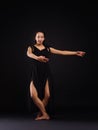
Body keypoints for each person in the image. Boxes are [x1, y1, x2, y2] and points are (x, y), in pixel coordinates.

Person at [26, 31, 85, 120]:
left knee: (47, 95)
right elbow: (29, 54)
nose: (40, 39)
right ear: (35, 38)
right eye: (38, 37)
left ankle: (41, 113)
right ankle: (45, 114)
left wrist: (75, 53)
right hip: (35, 73)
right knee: (33, 95)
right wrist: (38, 58)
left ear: (44, 38)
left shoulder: (48, 48)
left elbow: (62, 52)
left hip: (46, 73)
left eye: (42, 37)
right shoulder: (31, 48)